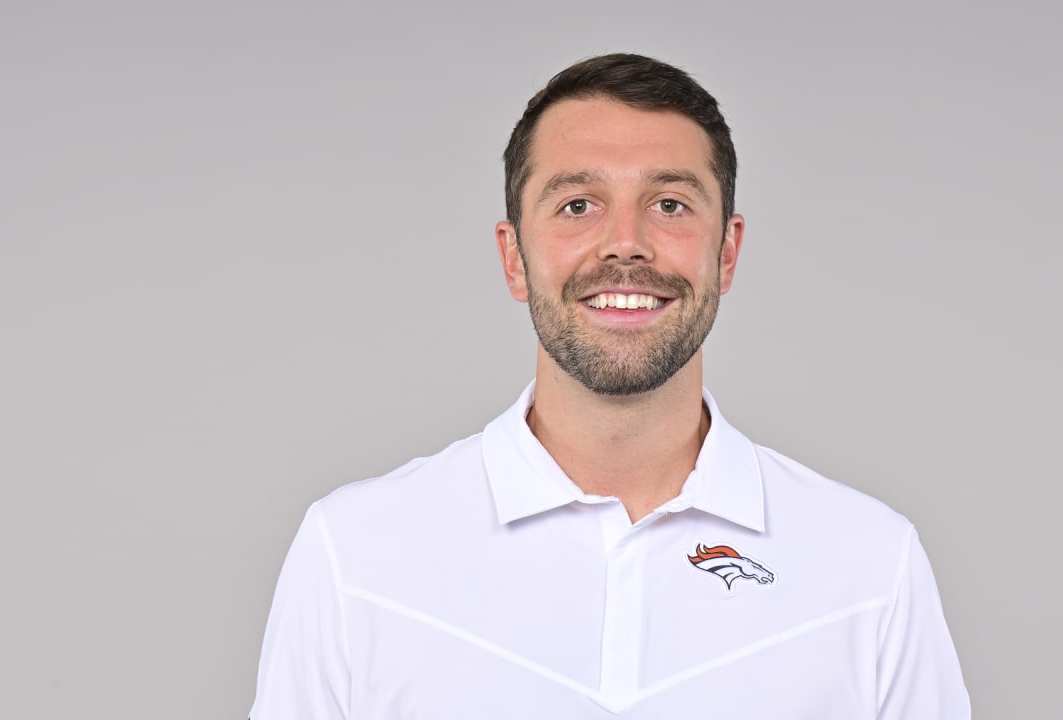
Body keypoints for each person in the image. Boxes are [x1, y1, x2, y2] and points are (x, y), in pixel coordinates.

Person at [249, 53, 970, 719]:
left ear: (727, 252)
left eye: (670, 204)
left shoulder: (871, 567)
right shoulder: (355, 555)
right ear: (514, 257)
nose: (626, 243)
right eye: (578, 205)